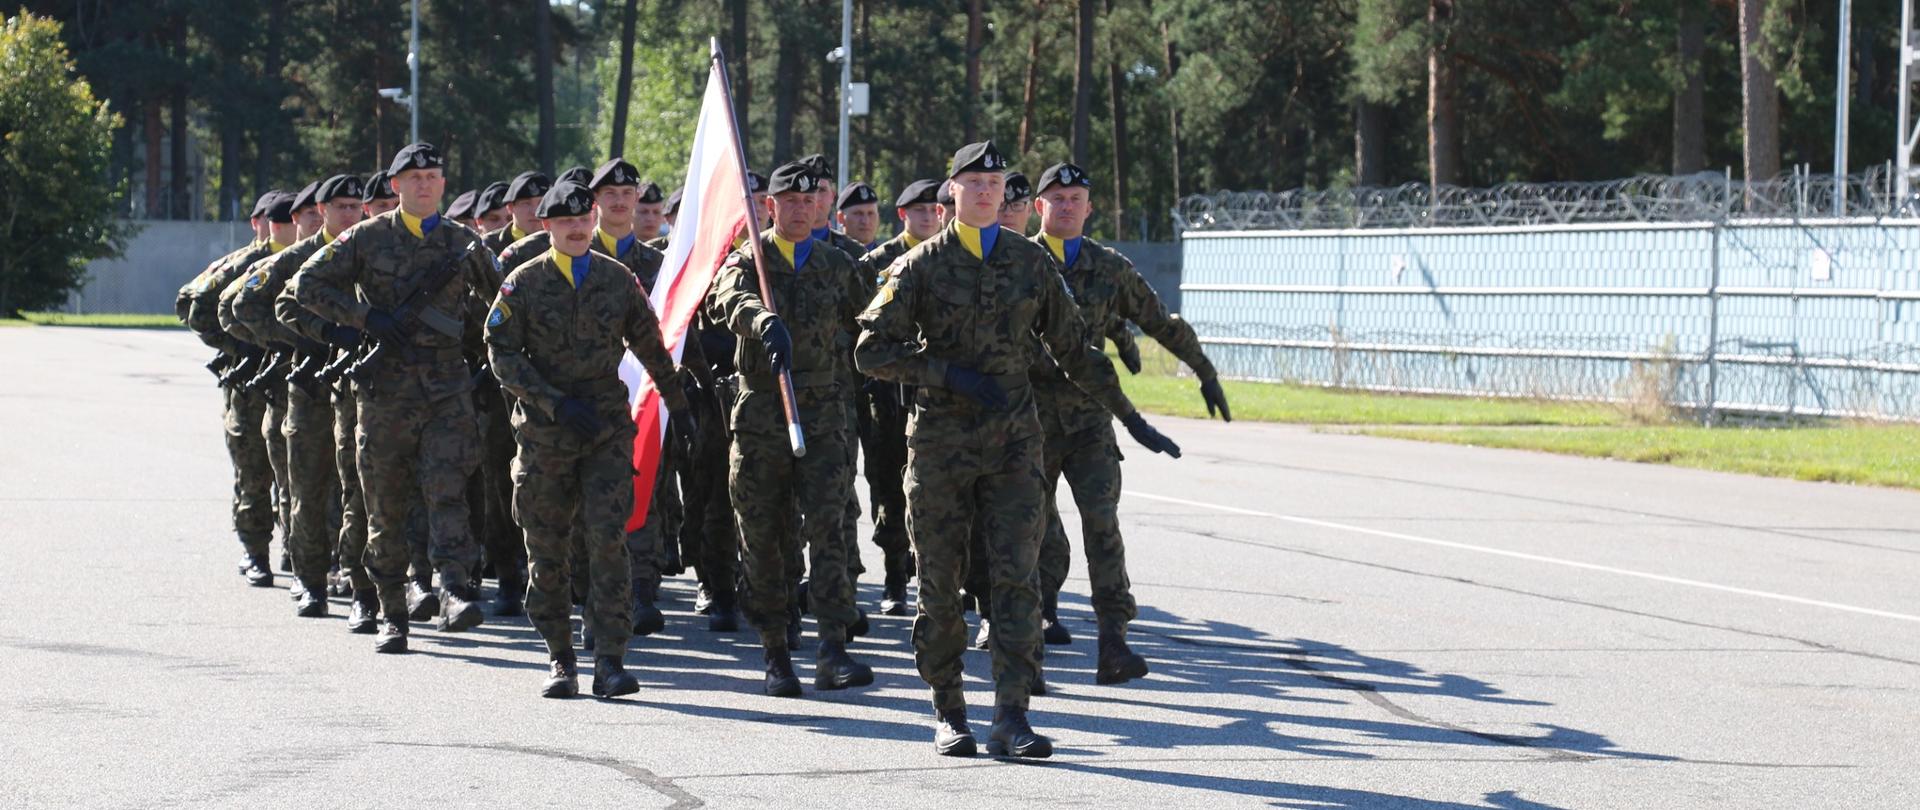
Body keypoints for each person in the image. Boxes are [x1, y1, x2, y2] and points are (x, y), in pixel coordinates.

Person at [854, 140, 1181, 758]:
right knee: (941, 586)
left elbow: (1075, 349)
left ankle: (1011, 715)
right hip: (942, 445)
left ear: (1008, 193)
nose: (985, 192)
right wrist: (947, 375)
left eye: (995, 182)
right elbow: (870, 351)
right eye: (973, 182)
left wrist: (1131, 419)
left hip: (1014, 445)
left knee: (1016, 580)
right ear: (951, 190)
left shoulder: (1031, 263)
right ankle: (949, 710)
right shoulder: (920, 266)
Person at [483, 179, 690, 698]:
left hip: (604, 431)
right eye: (565, 223)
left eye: (583, 220)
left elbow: (650, 342)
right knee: (548, 548)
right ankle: (559, 656)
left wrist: (679, 405)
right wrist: (551, 401)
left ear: (592, 221)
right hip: (546, 434)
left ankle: (610, 659)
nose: (576, 230)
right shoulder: (522, 284)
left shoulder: (616, 279)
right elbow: (500, 352)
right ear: (547, 227)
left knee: (607, 543)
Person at [294, 142, 502, 653]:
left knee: (447, 490)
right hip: (385, 392)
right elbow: (306, 285)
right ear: (395, 186)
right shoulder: (366, 239)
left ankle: (453, 588)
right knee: (384, 503)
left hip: (447, 389)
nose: (425, 184)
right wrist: (366, 319)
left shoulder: (464, 243)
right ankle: (392, 611)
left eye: (433, 175)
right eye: (414, 177)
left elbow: (502, 299)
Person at [1029, 161, 1230, 681]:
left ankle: (1113, 641)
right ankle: (1027, 630)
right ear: (1038, 207)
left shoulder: (1108, 267)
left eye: (1076, 198)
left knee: (1103, 526)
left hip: (1090, 420)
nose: (1067, 205)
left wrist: (1205, 371)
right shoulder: (1018, 263)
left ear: (1090, 208)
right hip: (1025, 422)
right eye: (1057, 197)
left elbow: (1159, 321)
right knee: (1029, 530)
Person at [707, 162, 875, 697]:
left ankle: (833, 647)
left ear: (821, 206)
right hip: (762, 411)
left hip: (825, 411)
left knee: (830, 527)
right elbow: (726, 300)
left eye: (810, 202)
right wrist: (762, 321)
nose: (801, 210)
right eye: (789, 201)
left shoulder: (837, 264)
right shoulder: (748, 260)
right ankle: (776, 650)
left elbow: (870, 319)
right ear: (770, 206)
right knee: (765, 534)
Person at [232, 174, 365, 618]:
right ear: (321, 212)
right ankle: (311, 582)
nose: (350, 214)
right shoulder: (296, 258)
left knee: (360, 491)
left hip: (359, 392)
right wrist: (297, 343)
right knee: (308, 488)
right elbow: (240, 307)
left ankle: (356, 578)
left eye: (355, 206)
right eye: (340, 207)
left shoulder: (369, 253)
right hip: (308, 390)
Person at [177, 190, 282, 587]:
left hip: (293, 378)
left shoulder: (306, 259)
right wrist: (239, 349)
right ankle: (255, 550)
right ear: (259, 223)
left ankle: (300, 549)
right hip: (251, 384)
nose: (288, 226)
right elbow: (193, 305)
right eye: (280, 219)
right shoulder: (243, 264)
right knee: (253, 470)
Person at [852, 178, 944, 616]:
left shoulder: (950, 258)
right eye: (919, 211)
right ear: (903, 215)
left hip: (938, 391)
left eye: (934, 210)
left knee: (938, 488)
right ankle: (894, 574)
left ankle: (938, 576)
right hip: (888, 393)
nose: (928, 217)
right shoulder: (878, 262)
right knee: (888, 482)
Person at [484, 171, 551, 256]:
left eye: (541, 202)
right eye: (526, 203)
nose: (535, 211)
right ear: (510, 207)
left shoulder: (562, 243)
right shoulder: (489, 245)